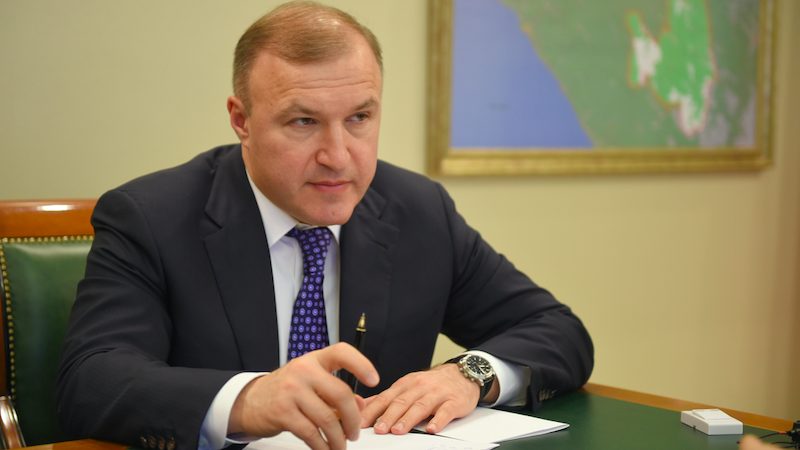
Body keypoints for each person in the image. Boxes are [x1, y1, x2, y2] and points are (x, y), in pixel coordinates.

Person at [55, 2, 593, 450]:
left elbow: (557, 330)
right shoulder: (152, 217)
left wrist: (469, 374)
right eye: (303, 121)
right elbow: (91, 380)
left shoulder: (417, 211)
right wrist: (248, 399)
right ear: (242, 120)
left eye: (359, 118)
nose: (338, 156)